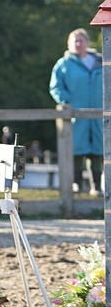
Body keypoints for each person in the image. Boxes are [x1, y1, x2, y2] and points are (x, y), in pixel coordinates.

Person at [49, 28, 104, 195]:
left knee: (97, 150)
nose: (78, 44)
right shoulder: (64, 64)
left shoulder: (101, 61)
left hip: (98, 113)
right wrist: (67, 102)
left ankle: (96, 186)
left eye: (81, 40)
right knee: (76, 149)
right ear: (69, 44)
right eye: (75, 41)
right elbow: (55, 86)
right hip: (74, 114)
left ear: (87, 42)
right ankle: (77, 185)